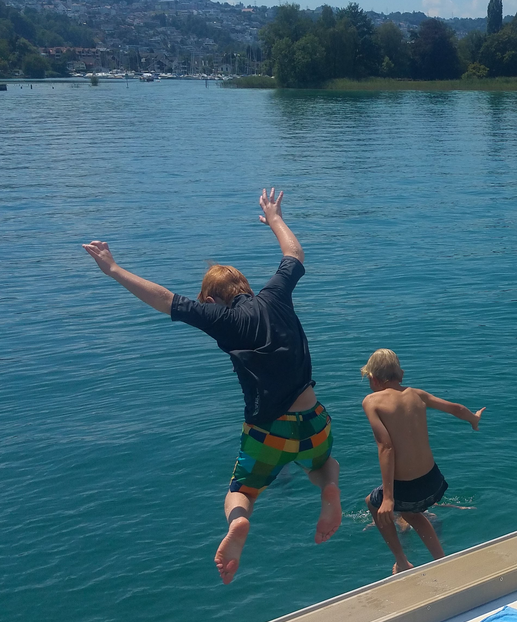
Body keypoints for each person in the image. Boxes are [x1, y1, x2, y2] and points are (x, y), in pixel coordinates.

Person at [82, 189, 341, 585]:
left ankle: (240, 524)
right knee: (325, 466)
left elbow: (165, 299)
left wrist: (114, 270)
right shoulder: (276, 295)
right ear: (248, 287)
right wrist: (273, 218)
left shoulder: (219, 318)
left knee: (242, 491)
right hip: (314, 420)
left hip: (267, 431)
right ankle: (330, 491)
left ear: (210, 300)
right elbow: (294, 254)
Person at [359, 349, 482, 575]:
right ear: (401, 375)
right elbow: (457, 408)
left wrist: (387, 498)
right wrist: (473, 419)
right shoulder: (417, 394)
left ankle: (402, 561)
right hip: (433, 481)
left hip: (407, 488)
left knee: (372, 503)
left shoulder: (371, 402)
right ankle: (441, 560)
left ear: (373, 379)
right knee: (412, 513)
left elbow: (385, 447)